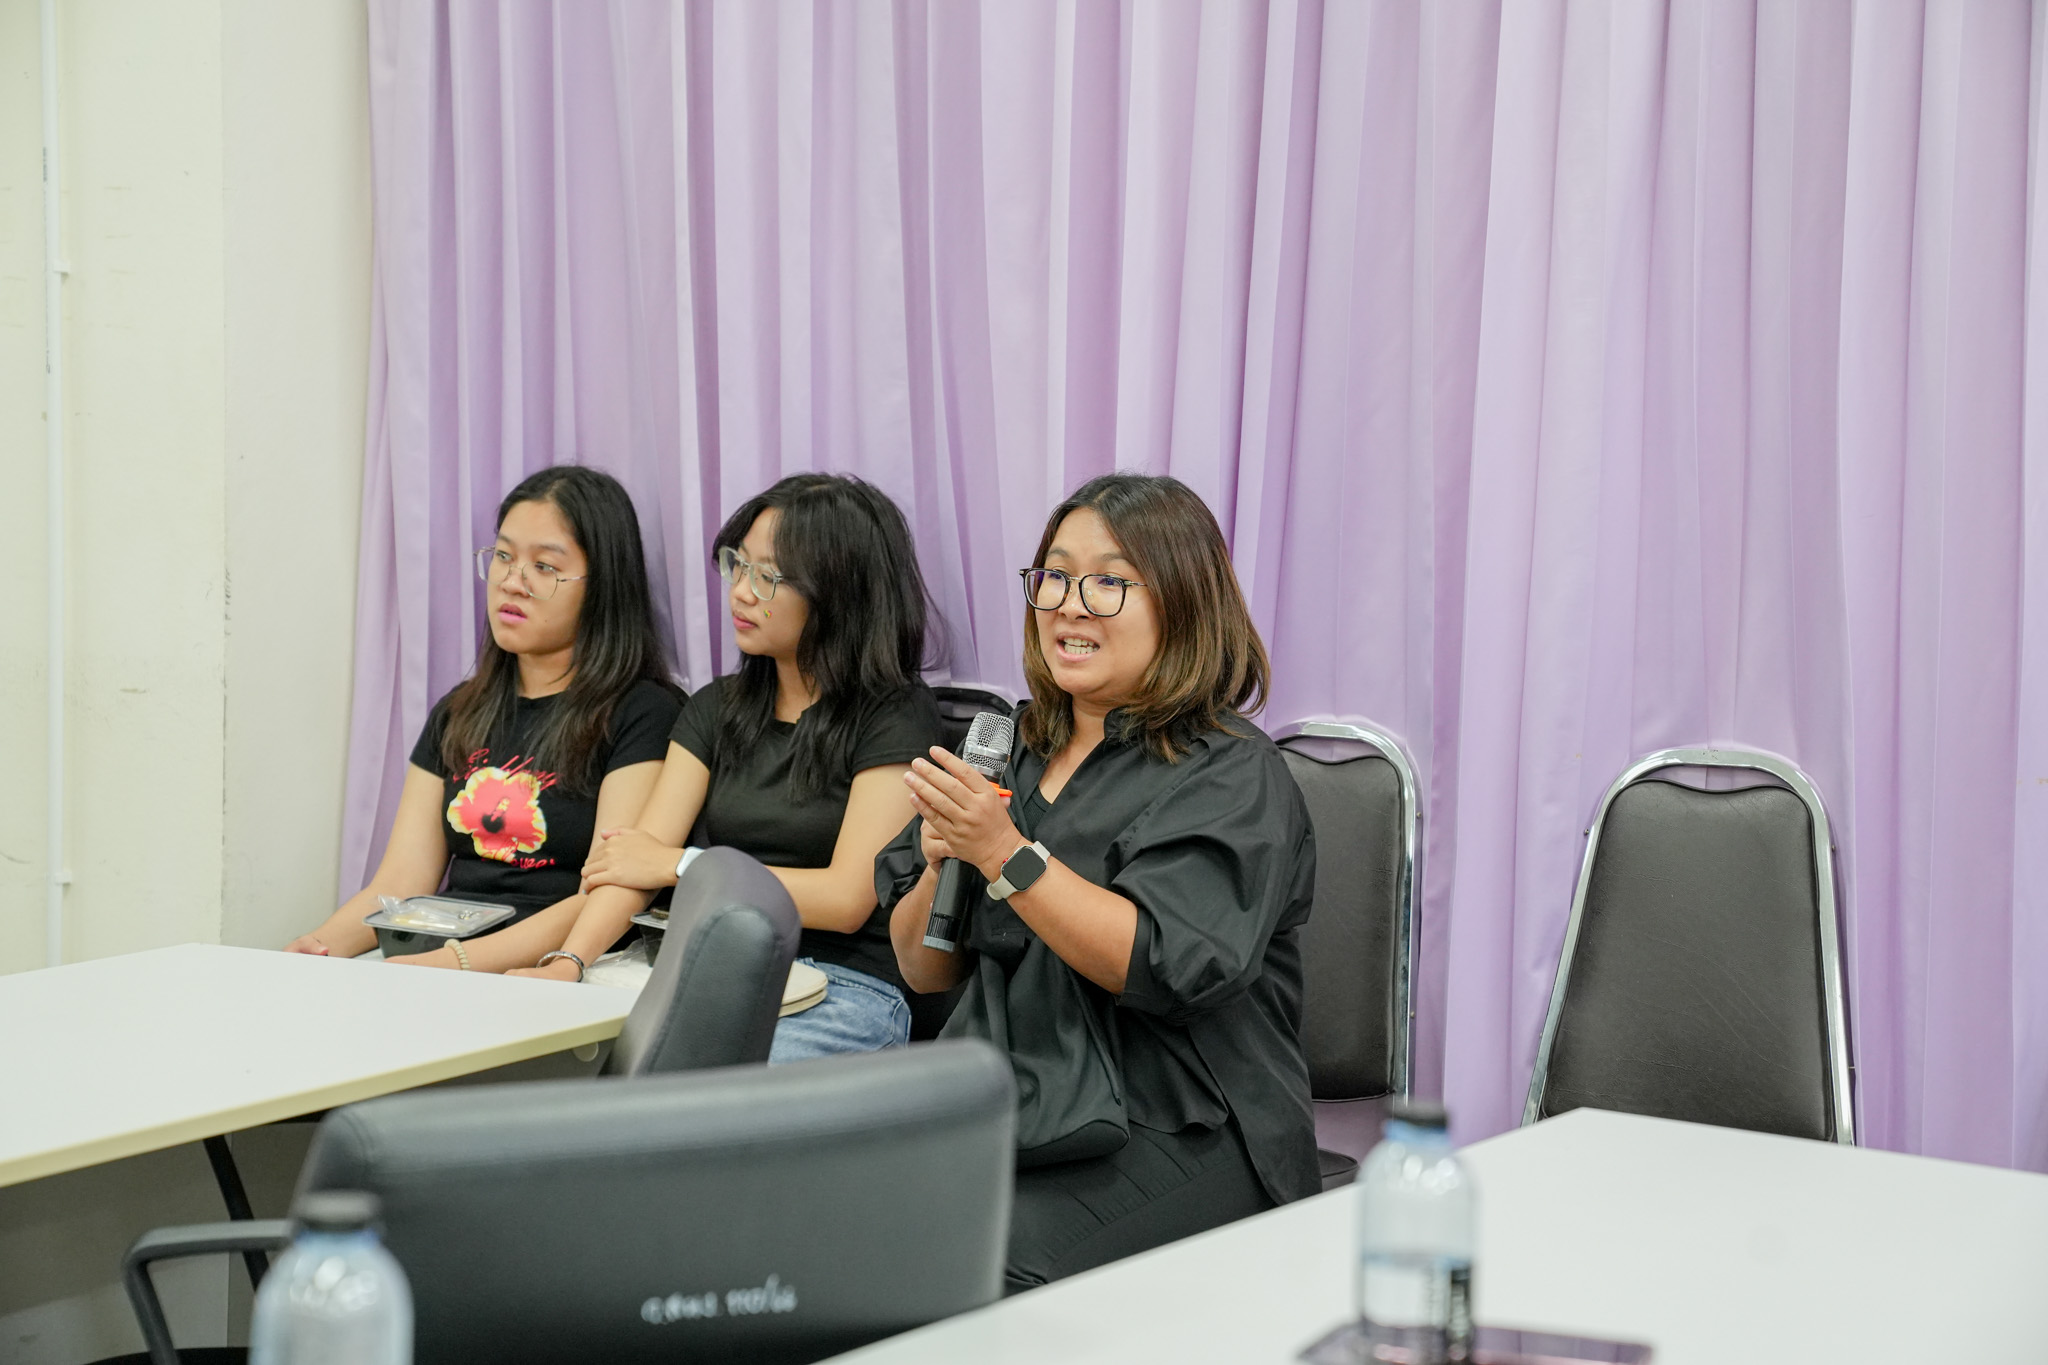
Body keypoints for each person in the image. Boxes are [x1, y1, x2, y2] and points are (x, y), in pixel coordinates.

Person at [881, 471, 1319, 1289]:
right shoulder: (1010, 749)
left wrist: (1006, 855)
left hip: (1187, 1119)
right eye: (1054, 576)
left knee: (972, 1265)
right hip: (1022, 1100)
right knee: (840, 1221)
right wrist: (942, 862)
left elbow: (1157, 959)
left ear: (1184, 601)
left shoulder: (1231, 771)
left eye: (1109, 583)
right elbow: (924, 967)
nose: (1070, 605)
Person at [535, 472, 944, 1062]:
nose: (741, 592)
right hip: (718, 969)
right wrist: (568, 963)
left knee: (701, 1090)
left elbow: (846, 899)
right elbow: (630, 862)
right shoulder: (716, 707)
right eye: (738, 565)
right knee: (575, 1067)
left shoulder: (896, 714)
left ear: (839, 592)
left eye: (768, 576)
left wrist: (682, 865)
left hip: (845, 984)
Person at [286, 465, 682, 965]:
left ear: (602, 585)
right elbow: (401, 881)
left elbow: (605, 894)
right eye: (504, 557)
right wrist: (317, 950)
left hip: (560, 965)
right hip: (439, 957)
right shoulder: (459, 711)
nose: (512, 582)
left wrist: (454, 963)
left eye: (544, 567)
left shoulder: (645, 713)